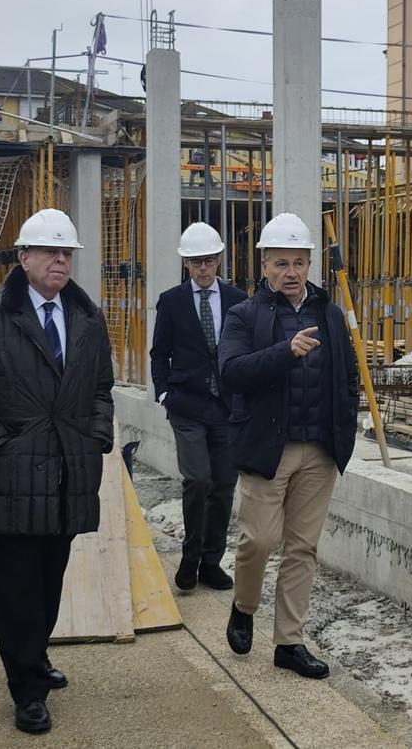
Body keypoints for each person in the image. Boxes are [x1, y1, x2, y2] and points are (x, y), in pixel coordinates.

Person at [0, 208, 115, 735]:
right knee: (16, 588)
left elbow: (102, 386)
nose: (61, 261)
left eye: (67, 253)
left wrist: (97, 434)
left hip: (65, 472)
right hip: (12, 473)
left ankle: (33, 659)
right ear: (24, 258)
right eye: (50, 252)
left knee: (50, 579)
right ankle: (27, 690)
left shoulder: (86, 318)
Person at [217, 213, 359, 680]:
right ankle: (244, 605)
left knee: (303, 548)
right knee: (258, 540)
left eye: (299, 263)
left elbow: (348, 377)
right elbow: (231, 373)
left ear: (310, 264)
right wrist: (285, 351)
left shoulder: (330, 314)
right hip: (267, 449)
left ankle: (289, 642)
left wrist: (344, 432)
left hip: (318, 450)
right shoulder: (244, 315)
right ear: (263, 266)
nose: (291, 272)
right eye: (281, 263)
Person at [150, 222, 246, 592]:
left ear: (219, 259)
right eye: (194, 262)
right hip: (187, 406)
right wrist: (163, 394)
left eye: (207, 261)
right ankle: (189, 559)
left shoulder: (238, 300)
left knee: (223, 485)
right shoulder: (171, 302)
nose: (202, 268)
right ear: (186, 264)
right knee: (198, 480)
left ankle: (211, 562)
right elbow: (160, 353)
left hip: (226, 408)